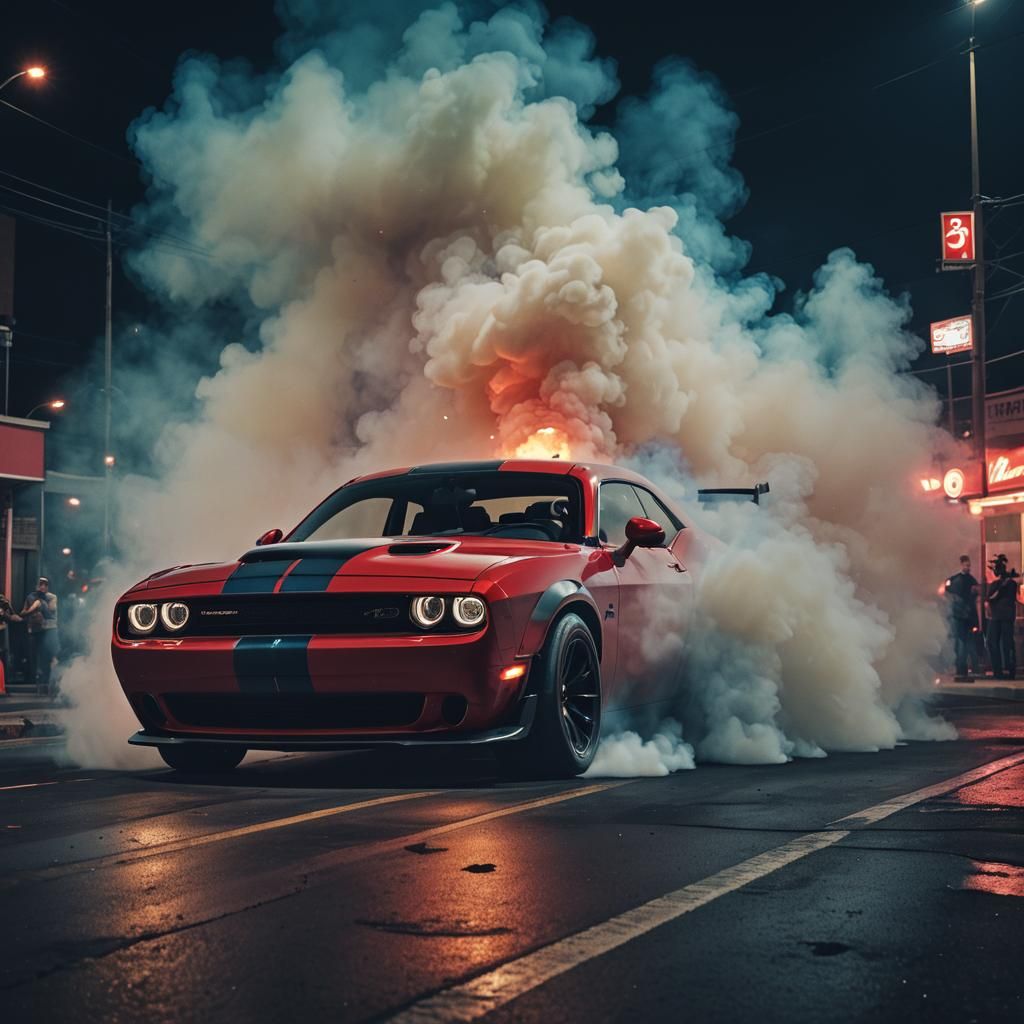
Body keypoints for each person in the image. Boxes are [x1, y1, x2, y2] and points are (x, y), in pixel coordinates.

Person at [21, 577, 58, 696]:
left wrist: (40, 603)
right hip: (35, 631)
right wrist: (31, 611)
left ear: (48, 587)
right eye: (40, 584)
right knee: (36, 657)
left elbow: (51, 611)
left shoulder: (51, 597)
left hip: (49, 630)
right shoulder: (30, 597)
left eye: (45, 585)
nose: (42, 587)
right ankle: (39, 684)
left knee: (48, 657)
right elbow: (23, 612)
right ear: (36, 586)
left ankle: (48, 685)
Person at [945, 555, 980, 681]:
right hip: (965, 615)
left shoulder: (954, 579)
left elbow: (947, 592)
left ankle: (961, 668)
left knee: (961, 642)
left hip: (960, 615)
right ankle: (966, 668)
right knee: (965, 642)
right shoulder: (970, 581)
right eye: (966, 565)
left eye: (968, 565)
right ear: (962, 565)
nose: (968, 567)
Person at [985, 554, 1020, 680]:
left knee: (995, 642)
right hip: (1005, 616)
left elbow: (990, 598)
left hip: (999, 616)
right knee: (1006, 643)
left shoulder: (999, 584)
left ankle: (1000, 671)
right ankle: (1009, 670)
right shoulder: (1010, 584)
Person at [0, 592, 22, 692]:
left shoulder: (3, 601)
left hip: (3, 630)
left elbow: (10, 614)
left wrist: (10, 616)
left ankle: (2, 685)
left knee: (3, 656)